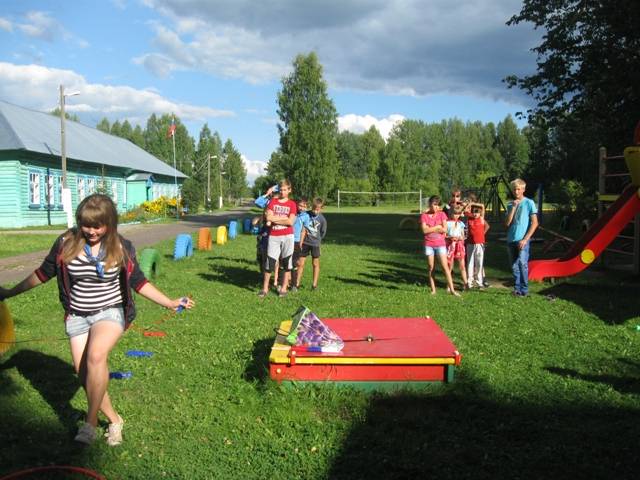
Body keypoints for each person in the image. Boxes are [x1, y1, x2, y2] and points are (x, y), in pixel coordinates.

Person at [0, 194, 194, 446]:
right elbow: (43, 273)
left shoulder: (121, 247)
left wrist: (169, 302)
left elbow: (138, 282)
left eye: (97, 226)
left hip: (110, 312)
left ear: (110, 223)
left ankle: (89, 424)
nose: (91, 231)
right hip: (78, 315)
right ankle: (115, 420)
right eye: (86, 225)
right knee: (84, 375)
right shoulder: (65, 243)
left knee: (96, 356)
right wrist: (10, 292)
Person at [259, 179, 297, 298]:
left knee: (286, 263)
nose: (282, 192)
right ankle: (265, 289)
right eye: (280, 190)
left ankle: (283, 289)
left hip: (287, 236)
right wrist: (283, 219)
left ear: (289, 190)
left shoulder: (292, 204)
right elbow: (268, 218)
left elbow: (290, 222)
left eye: (285, 190)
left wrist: (275, 218)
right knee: (269, 263)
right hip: (274, 236)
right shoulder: (273, 202)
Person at [505, 178, 539, 296]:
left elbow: (535, 223)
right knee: (514, 266)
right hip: (511, 239)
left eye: (519, 189)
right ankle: (517, 289)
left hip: (523, 240)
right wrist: (513, 208)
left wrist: (525, 239)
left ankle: (524, 290)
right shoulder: (510, 204)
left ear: (523, 189)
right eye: (514, 189)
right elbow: (507, 223)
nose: (516, 192)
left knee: (522, 264)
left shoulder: (529, 203)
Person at [420, 195, 459, 296]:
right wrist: (437, 227)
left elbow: (445, 229)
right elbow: (424, 231)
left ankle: (452, 290)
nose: (436, 207)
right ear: (430, 204)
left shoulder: (442, 214)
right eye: (434, 204)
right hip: (429, 244)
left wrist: (431, 228)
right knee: (431, 267)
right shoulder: (424, 216)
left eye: (438, 205)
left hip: (440, 244)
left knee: (445, 267)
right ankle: (433, 290)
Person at [296, 197, 327, 291]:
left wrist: (318, 242)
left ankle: (314, 285)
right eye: (313, 209)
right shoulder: (306, 214)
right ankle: (296, 284)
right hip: (305, 242)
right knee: (300, 263)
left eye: (317, 209)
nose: (315, 211)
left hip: (315, 244)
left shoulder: (322, 219)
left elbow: (322, 232)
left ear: (321, 209)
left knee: (315, 264)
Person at [466, 202, 490, 288]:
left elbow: (482, 206)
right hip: (470, 243)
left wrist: (473, 203)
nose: (475, 214)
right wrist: (469, 205)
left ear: (480, 213)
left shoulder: (481, 219)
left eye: (477, 212)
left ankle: (479, 282)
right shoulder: (469, 219)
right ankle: (469, 282)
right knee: (470, 262)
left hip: (480, 244)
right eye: (474, 212)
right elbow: (466, 210)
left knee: (479, 262)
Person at [290, 197, 310, 292]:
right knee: (285, 262)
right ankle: (284, 282)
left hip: (296, 241)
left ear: (307, 207)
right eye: (300, 205)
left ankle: (294, 284)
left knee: (294, 263)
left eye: (304, 206)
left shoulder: (306, 217)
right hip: (287, 239)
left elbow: (303, 231)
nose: (301, 208)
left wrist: (300, 243)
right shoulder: (293, 213)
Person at [446, 206, 468, 289]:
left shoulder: (460, 223)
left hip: (459, 245)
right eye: (455, 213)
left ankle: (466, 284)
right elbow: (444, 235)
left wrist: (461, 238)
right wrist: (450, 237)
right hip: (450, 245)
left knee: (462, 265)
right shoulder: (447, 223)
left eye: (458, 214)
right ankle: (449, 285)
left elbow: (463, 235)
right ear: (451, 213)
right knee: (450, 266)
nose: (456, 215)